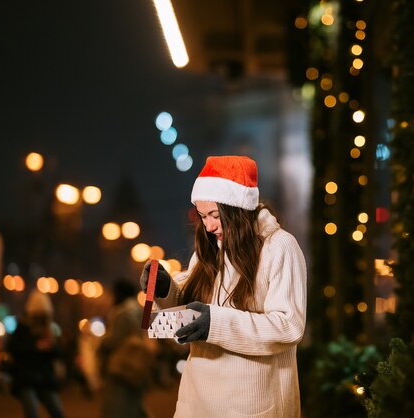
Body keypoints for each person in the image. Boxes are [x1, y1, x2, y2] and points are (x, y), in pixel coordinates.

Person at [140, 155, 307, 418]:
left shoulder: (280, 247)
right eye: (203, 216)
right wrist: (165, 290)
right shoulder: (209, 252)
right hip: (196, 403)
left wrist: (214, 323)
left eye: (215, 215)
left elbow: (288, 326)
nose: (208, 226)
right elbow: (190, 312)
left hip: (250, 405)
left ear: (237, 208)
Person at [6, 290, 66, 418]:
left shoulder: (48, 329)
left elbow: (59, 353)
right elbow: (12, 348)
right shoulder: (23, 327)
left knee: (57, 411)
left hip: (44, 379)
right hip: (26, 378)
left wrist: (51, 347)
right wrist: (36, 347)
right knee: (32, 413)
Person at [98, 279, 154, 418]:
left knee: (118, 405)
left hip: (122, 365)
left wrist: (101, 343)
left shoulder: (123, 313)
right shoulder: (139, 311)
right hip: (138, 363)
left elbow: (114, 340)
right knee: (134, 402)